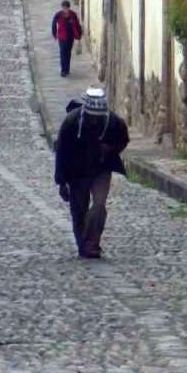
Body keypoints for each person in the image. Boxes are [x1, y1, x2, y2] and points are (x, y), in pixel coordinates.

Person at [53, 86, 129, 259]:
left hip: (101, 168)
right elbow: (62, 153)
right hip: (77, 171)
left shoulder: (113, 121)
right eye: (91, 117)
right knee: (78, 208)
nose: (94, 120)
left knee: (99, 205)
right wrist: (61, 182)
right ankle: (83, 243)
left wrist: (111, 148)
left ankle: (92, 242)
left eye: (98, 117)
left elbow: (124, 140)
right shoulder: (71, 122)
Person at [51, 0, 82, 77]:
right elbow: (53, 24)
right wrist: (54, 34)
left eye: (66, 8)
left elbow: (78, 25)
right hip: (62, 37)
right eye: (64, 8)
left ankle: (67, 69)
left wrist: (79, 35)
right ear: (62, 8)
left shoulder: (73, 15)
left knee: (68, 53)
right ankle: (63, 70)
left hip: (70, 37)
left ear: (69, 8)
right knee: (63, 53)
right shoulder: (58, 15)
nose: (65, 10)